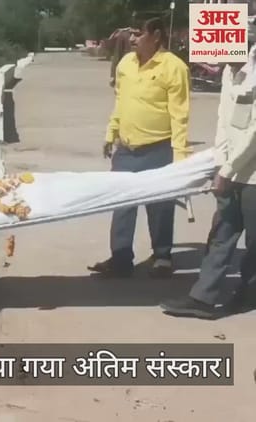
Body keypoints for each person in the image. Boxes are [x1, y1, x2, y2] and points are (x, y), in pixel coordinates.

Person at [88, 17, 191, 279]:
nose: (132, 39)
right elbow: (121, 101)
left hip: (159, 149)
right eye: (131, 33)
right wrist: (111, 133)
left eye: (137, 34)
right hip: (126, 149)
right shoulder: (126, 64)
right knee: (122, 204)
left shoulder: (174, 67)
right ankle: (121, 258)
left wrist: (180, 156)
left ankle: (162, 256)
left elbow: (180, 115)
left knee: (159, 205)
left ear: (156, 36)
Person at [161, 40, 256, 320]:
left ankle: (248, 293)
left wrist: (228, 170)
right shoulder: (228, 71)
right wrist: (219, 163)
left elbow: (254, 133)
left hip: (252, 177)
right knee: (220, 235)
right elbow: (224, 121)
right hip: (232, 172)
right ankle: (202, 298)